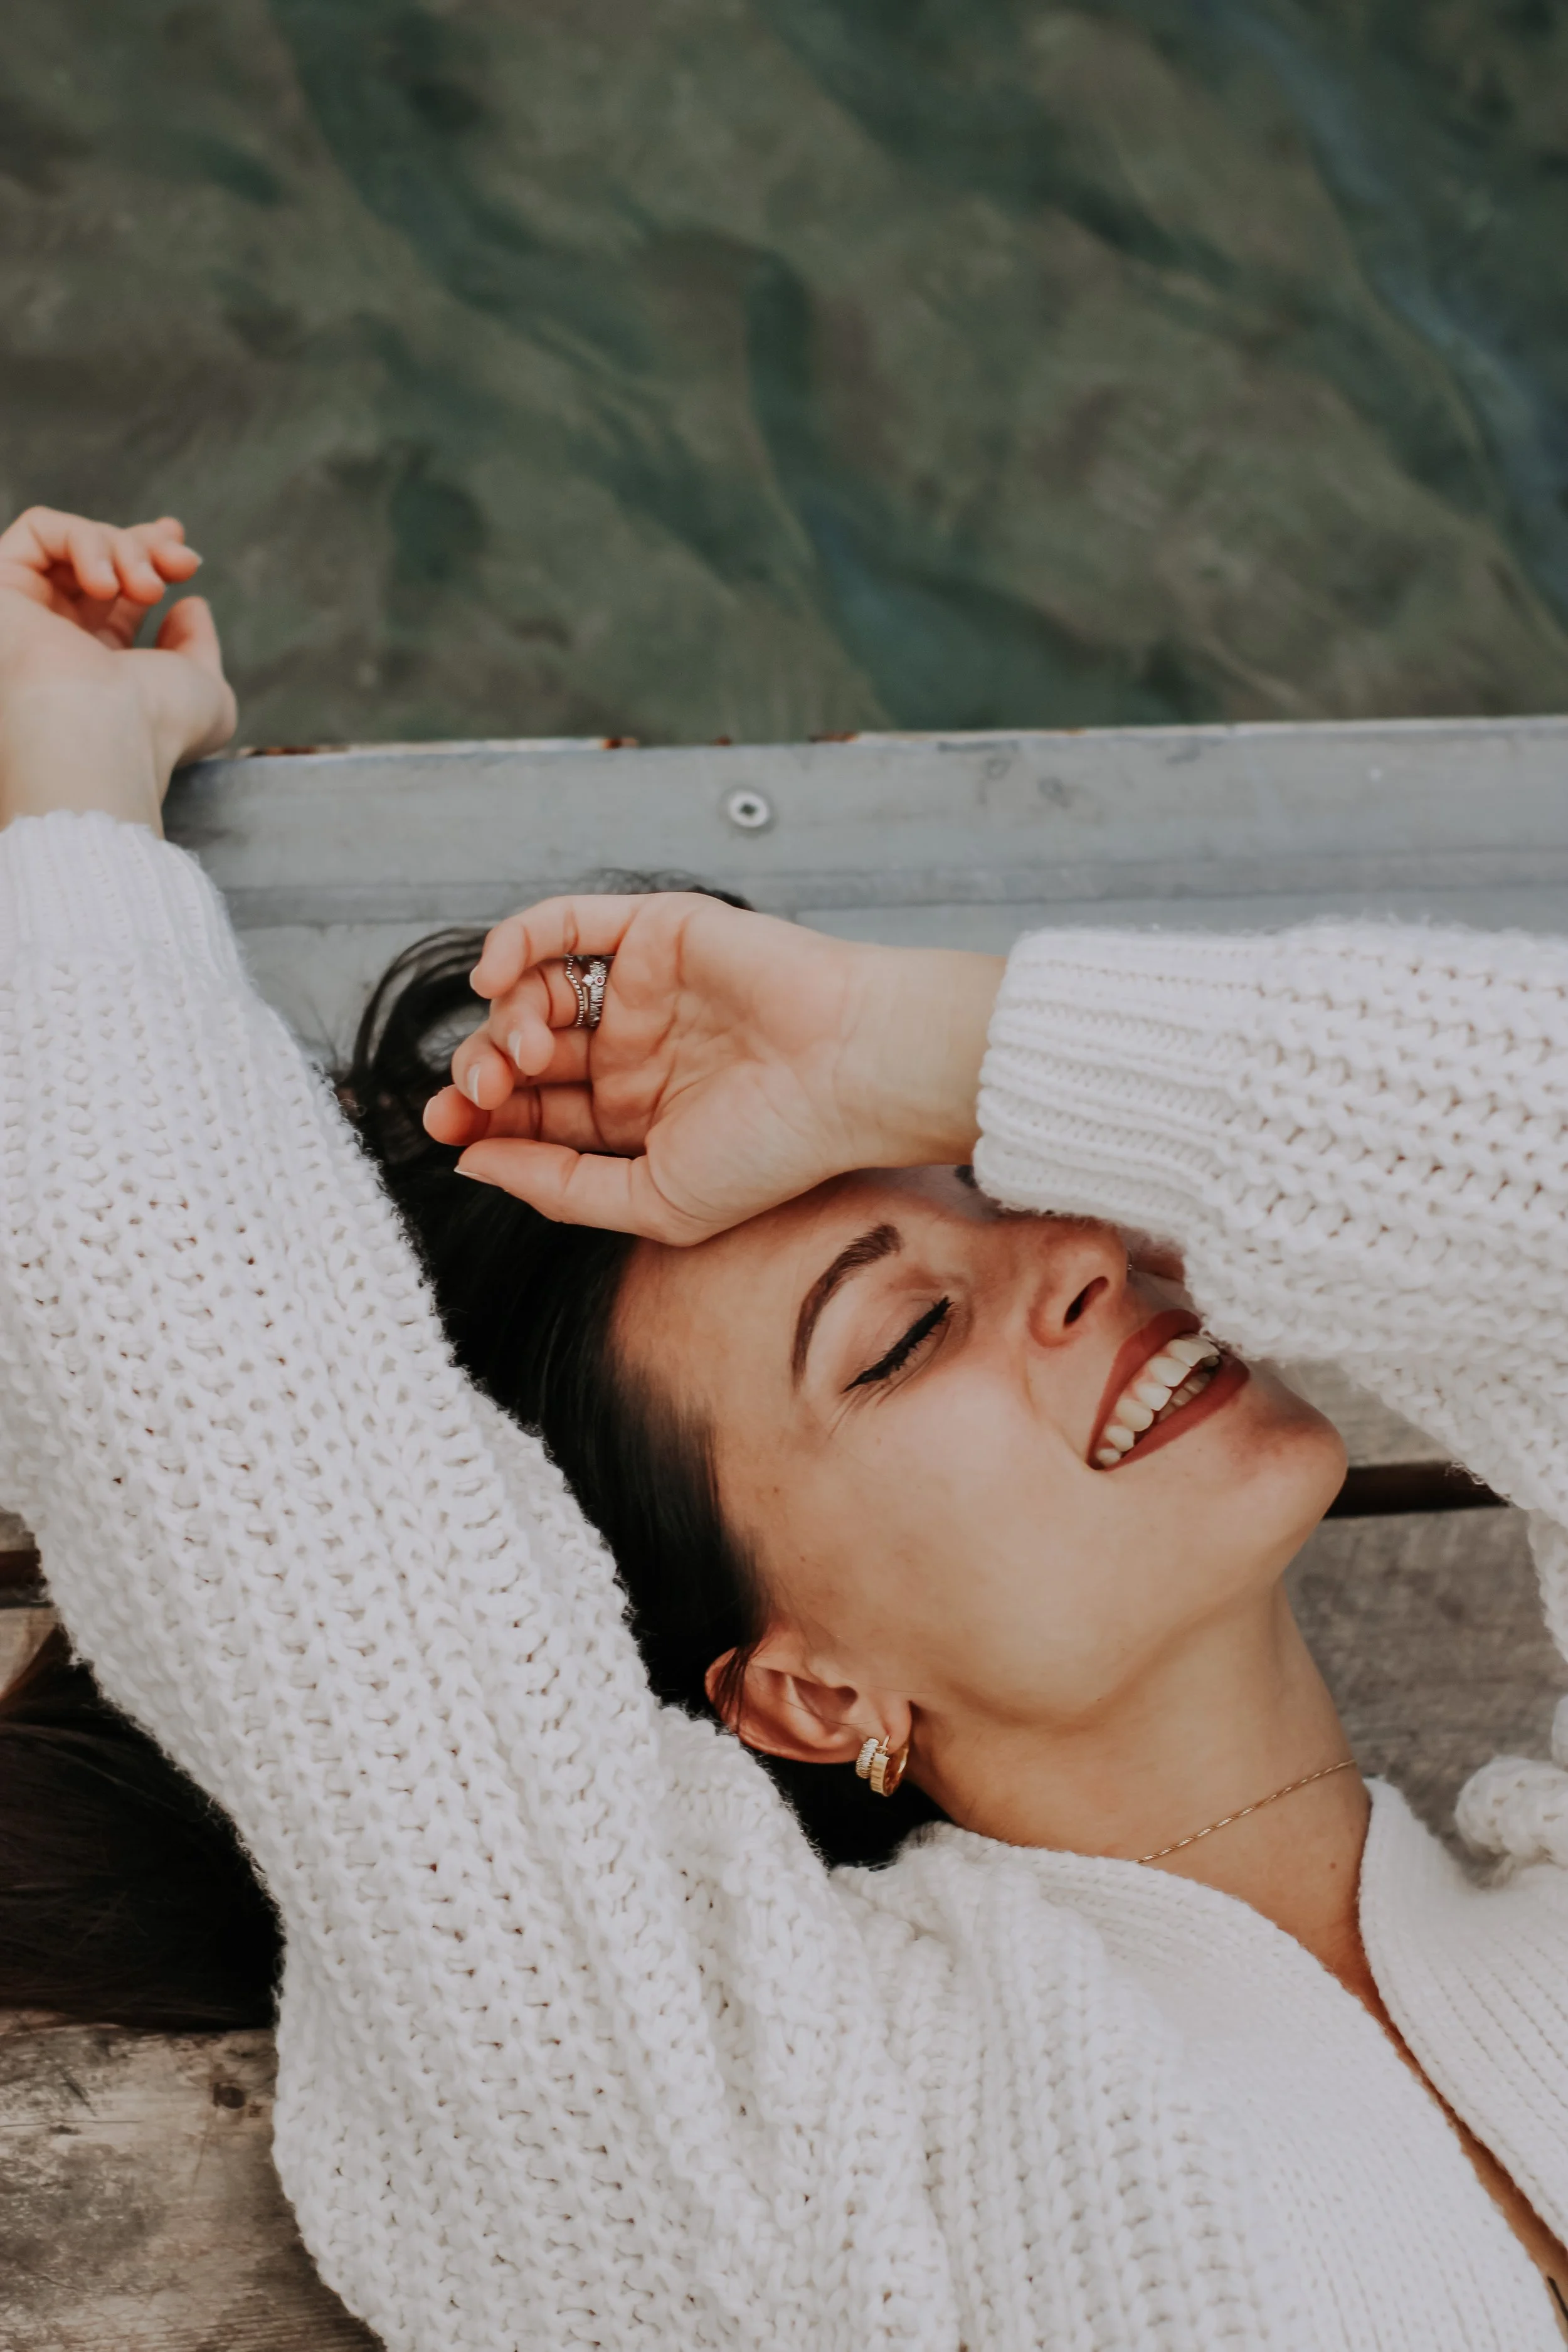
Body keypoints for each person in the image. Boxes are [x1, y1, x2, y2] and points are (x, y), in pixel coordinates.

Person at [1, 505, 1567, 2351]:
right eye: (905, 1335)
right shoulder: (776, 2128)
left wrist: (929, 1049)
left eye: (1019, 1181)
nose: (1079, 1253)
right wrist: (66, 797)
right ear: (809, 1694)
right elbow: (272, 1474)